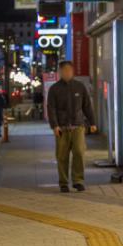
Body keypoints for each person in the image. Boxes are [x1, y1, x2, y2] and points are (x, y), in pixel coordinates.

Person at [47, 61, 97, 193]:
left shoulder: (79, 87)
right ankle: (63, 183)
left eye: (69, 70)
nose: (67, 72)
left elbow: (87, 106)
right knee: (62, 156)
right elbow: (51, 109)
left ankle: (78, 181)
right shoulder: (54, 89)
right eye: (64, 70)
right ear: (60, 72)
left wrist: (92, 122)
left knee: (79, 153)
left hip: (78, 126)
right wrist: (55, 126)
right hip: (62, 128)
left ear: (73, 71)